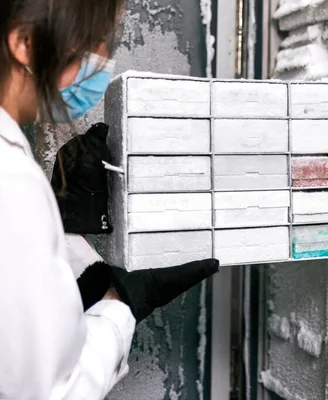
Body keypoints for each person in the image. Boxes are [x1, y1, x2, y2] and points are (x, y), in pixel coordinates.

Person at [0, 1, 219, 399]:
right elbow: (52, 392)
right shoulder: (11, 180)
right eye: (95, 41)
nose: (103, 60)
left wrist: (65, 232)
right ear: (25, 42)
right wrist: (119, 305)